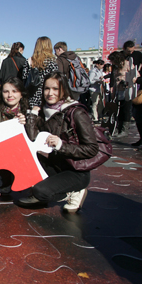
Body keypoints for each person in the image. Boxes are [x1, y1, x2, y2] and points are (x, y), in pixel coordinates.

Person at [17, 72, 98, 212]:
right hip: (55, 164)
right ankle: (48, 189)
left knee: (40, 191)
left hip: (76, 170)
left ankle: (75, 191)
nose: (50, 93)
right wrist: (32, 116)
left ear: (63, 90)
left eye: (55, 89)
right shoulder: (43, 111)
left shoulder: (75, 112)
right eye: (47, 89)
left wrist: (61, 145)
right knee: (25, 169)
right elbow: (33, 140)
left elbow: (92, 149)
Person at [22, 37, 58, 111]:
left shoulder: (30, 61)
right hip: (47, 96)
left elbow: (24, 77)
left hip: (31, 95)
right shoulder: (52, 62)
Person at [108, 51, 135, 139]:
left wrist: (127, 81)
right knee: (118, 111)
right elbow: (115, 80)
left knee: (126, 110)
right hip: (118, 90)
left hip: (127, 90)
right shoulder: (115, 67)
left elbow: (135, 76)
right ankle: (118, 128)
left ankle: (125, 130)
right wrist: (113, 92)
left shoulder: (127, 64)